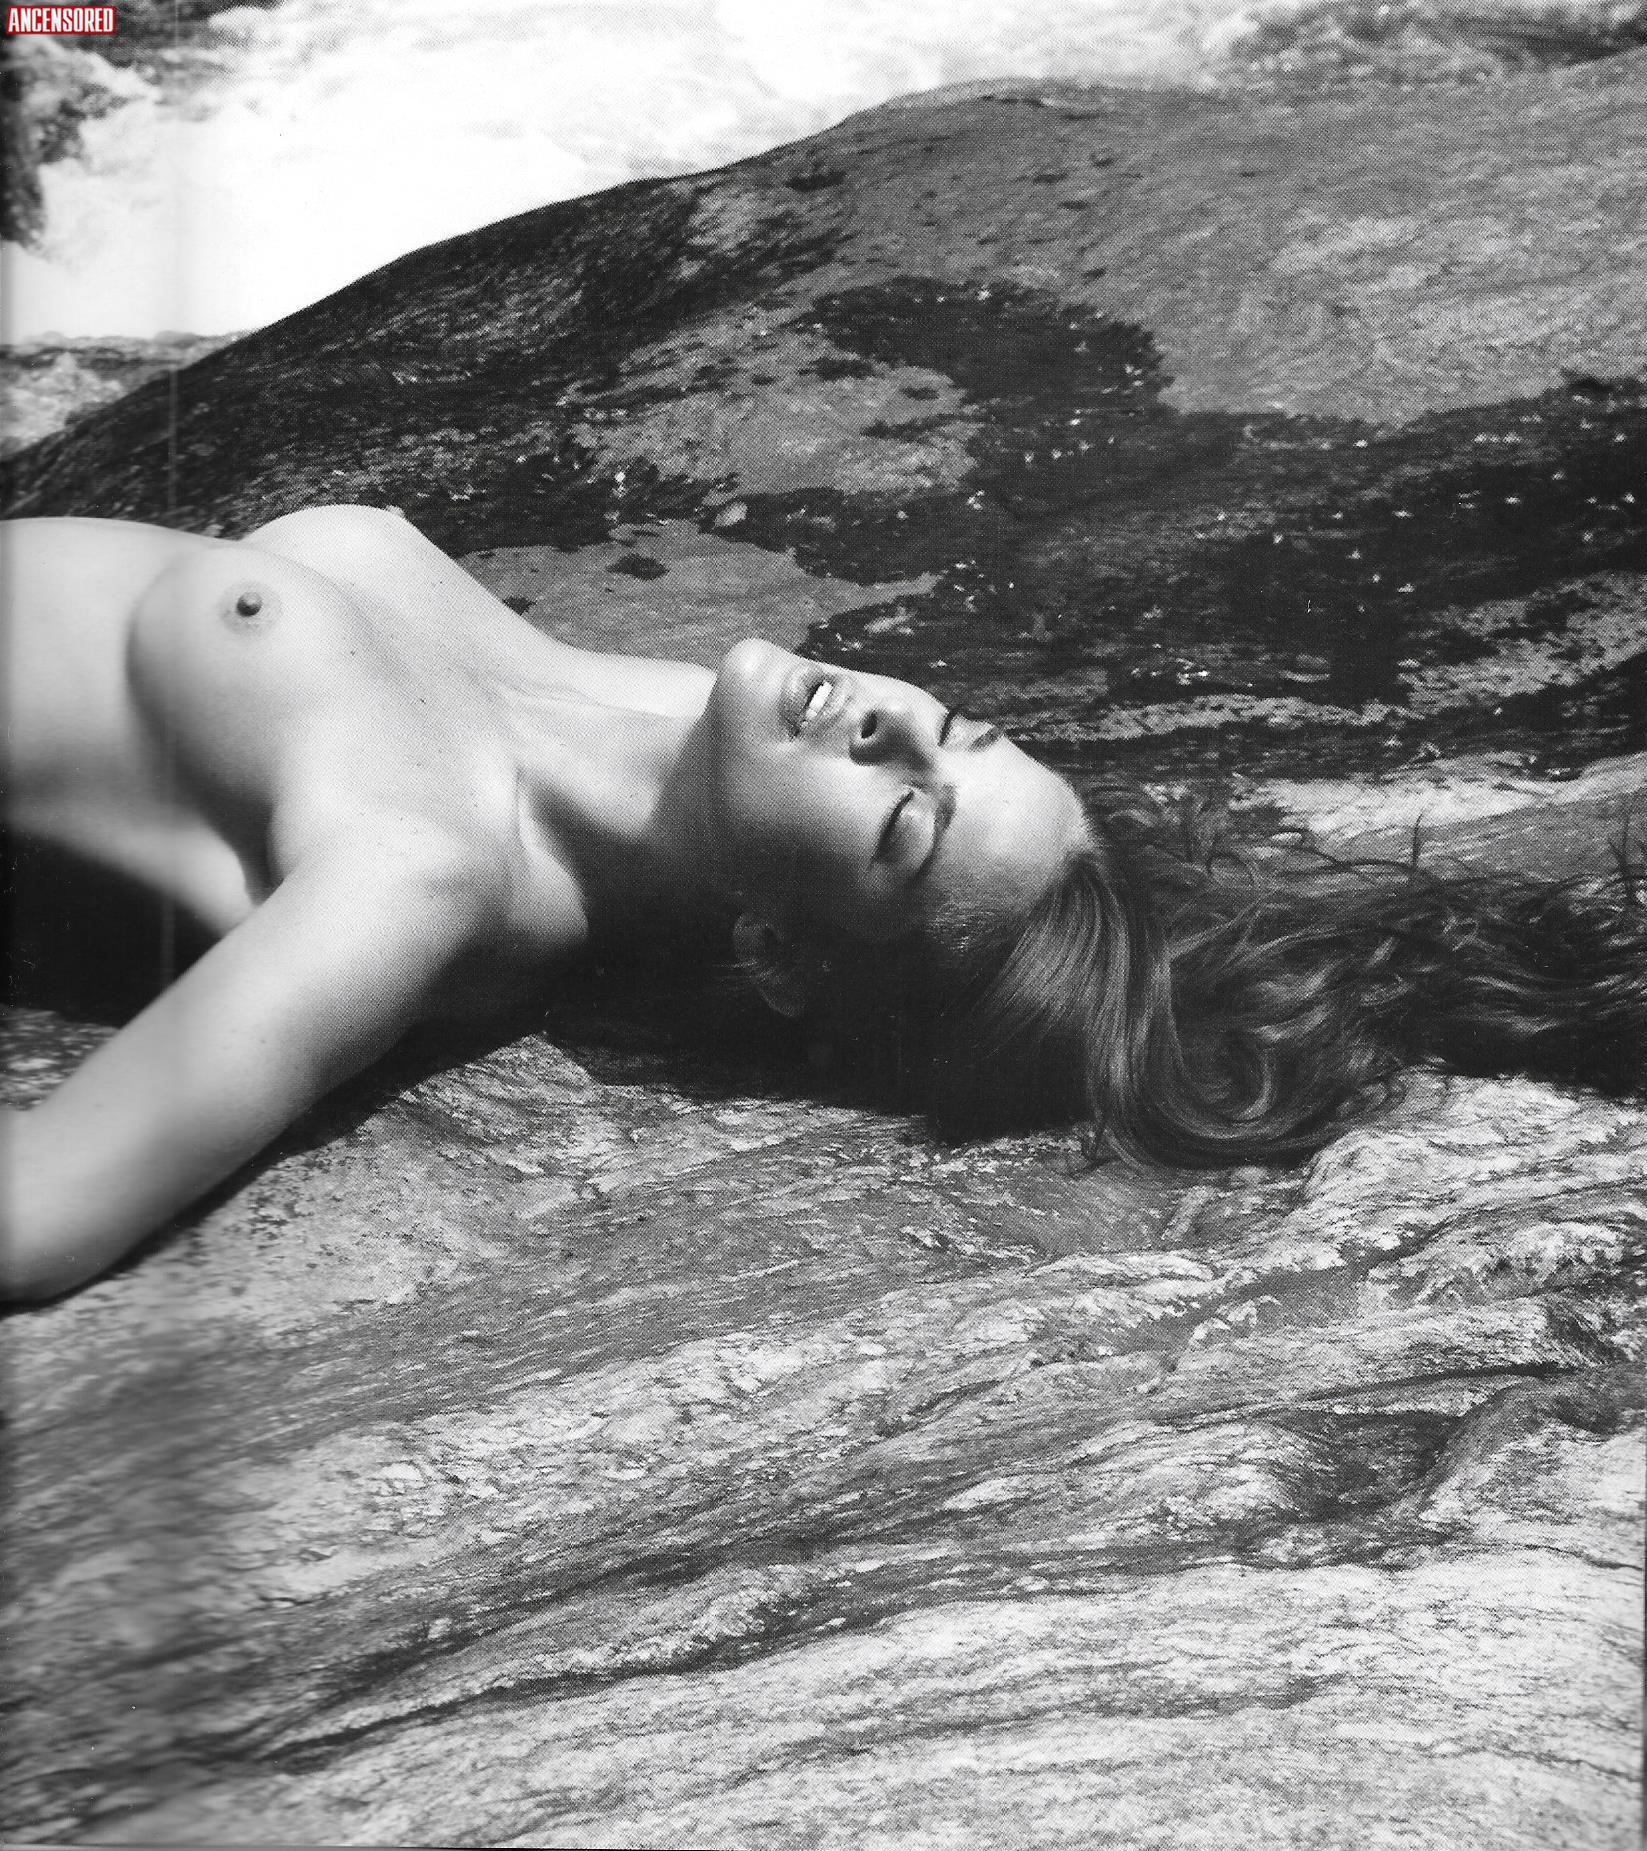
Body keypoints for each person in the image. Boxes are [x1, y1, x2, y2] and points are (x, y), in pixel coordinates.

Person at [2, 506, 1642, 1302]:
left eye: (905, 824)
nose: (896, 723)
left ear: (776, 953)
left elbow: (38, 1220)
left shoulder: (418, 871)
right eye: (962, 730)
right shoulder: (675, 729)